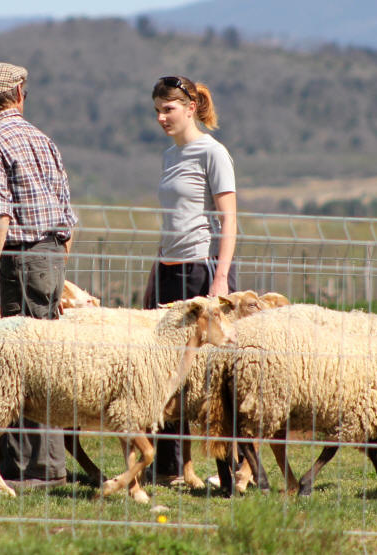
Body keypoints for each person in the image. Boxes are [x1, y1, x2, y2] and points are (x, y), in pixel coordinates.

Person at [0, 62, 77, 489]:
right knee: (50, 364)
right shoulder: (43, 140)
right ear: (20, 93)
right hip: (51, 256)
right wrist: (58, 271)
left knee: (19, 364)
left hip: (22, 258)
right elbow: (66, 213)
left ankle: (31, 471)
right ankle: (46, 466)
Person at [147, 75, 237, 482]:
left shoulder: (213, 153)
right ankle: (168, 467)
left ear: (191, 108)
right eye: (157, 111)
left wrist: (220, 279)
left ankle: (230, 467)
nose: (162, 117)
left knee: (208, 373)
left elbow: (229, 220)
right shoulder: (169, 156)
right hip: (167, 270)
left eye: (168, 109)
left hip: (200, 268)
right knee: (166, 368)